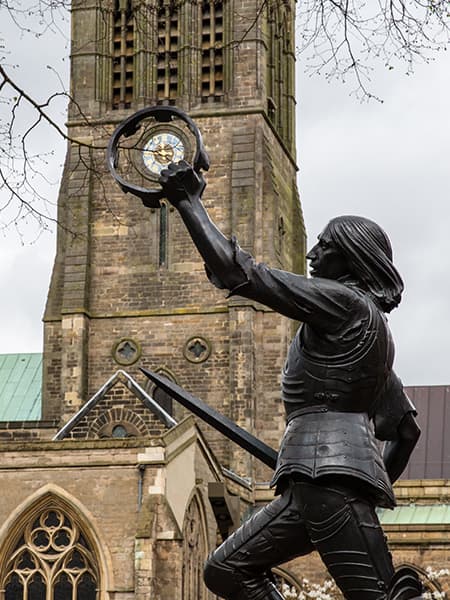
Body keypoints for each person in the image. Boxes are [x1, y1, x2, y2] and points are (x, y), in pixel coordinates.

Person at [158, 162, 423, 600]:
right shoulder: (369, 333)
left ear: (351, 258)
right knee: (226, 569)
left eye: (325, 247)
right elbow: (407, 431)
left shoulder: (343, 303)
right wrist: (367, 480)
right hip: (316, 482)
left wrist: (188, 201)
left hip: (326, 483)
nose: (312, 255)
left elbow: (238, 273)